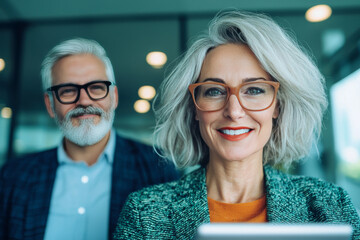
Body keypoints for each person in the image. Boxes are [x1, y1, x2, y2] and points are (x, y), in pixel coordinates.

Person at [113, 11, 360, 239]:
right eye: (213, 91)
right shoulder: (144, 213)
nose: (233, 111)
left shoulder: (328, 204)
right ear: (194, 108)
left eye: (254, 90)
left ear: (278, 105)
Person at [0, 38, 179, 240]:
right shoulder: (13, 178)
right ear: (50, 105)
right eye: (67, 90)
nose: (84, 101)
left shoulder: (158, 169)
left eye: (96, 87)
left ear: (114, 97)